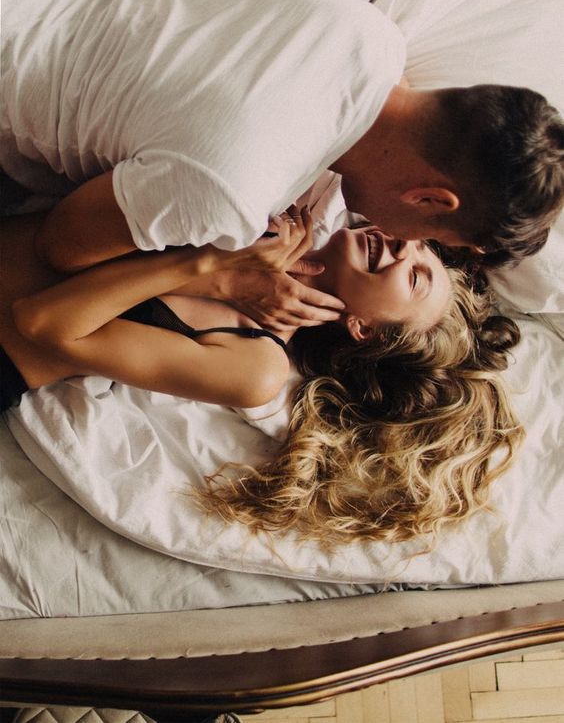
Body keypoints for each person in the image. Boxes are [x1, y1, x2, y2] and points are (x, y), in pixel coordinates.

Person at [1, 0, 563, 331]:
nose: (405, 239)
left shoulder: (371, 33)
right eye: (434, 237)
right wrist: (225, 276)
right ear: (430, 198)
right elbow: (60, 245)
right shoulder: (232, 192)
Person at [1, 207, 523, 541]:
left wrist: (212, 273)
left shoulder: (255, 364)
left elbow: (40, 321)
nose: (403, 246)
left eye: (414, 277)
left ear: (365, 330)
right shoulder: (280, 216)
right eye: (419, 246)